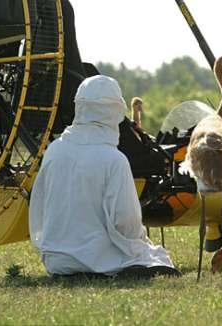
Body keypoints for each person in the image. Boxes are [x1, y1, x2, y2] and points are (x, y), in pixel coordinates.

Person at [29, 75, 180, 278]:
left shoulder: (54, 150)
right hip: (98, 259)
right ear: (115, 111)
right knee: (157, 257)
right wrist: (141, 244)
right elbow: (126, 222)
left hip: (56, 260)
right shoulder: (113, 159)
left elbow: (39, 206)